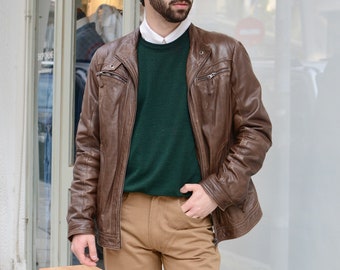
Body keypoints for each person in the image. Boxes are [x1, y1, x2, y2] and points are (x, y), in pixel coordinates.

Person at [67, 0, 272, 269]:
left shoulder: (225, 52)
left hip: (190, 217)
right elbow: (90, 148)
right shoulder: (107, 60)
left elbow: (256, 131)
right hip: (125, 219)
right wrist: (81, 222)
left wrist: (216, 191)